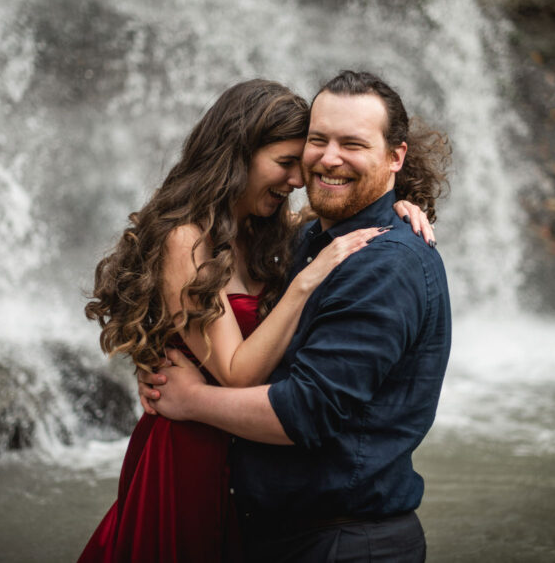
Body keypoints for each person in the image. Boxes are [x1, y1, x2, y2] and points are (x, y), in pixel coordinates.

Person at [78, 78, 433, 562]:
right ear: (237, 156)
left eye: (296, 164)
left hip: (238, 456)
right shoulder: (188, 239)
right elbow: (237, 371)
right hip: (192, 450)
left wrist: (400, 205)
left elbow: (345, 205)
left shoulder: (273, 233)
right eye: (286, 163)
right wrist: (306, 283)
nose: (295, 180)